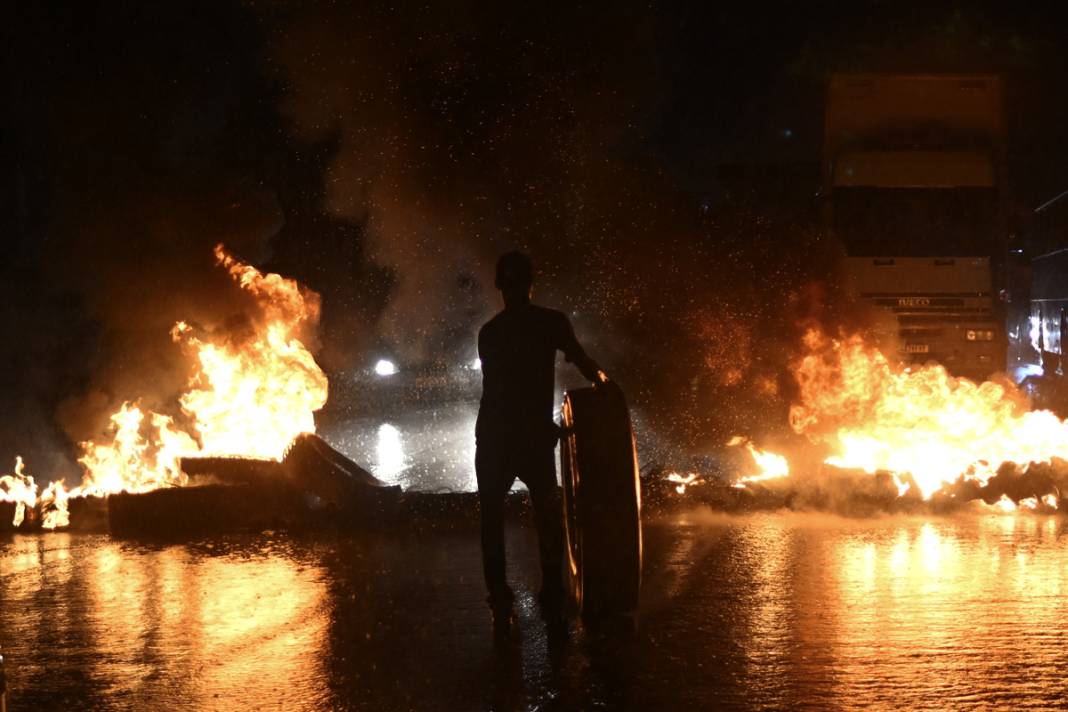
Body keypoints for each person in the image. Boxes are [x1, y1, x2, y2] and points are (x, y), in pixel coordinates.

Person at [475, 250, 605, 637]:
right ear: (533, 284)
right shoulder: (550, 323)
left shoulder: (490, 332)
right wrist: (607, 388)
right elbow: (582, 361)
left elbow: (499, 390)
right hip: (530, 438)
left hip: (495, 437)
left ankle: (500, 598)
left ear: (500, 286)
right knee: (548, 512)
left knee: (492, 519)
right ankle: (551, 588)